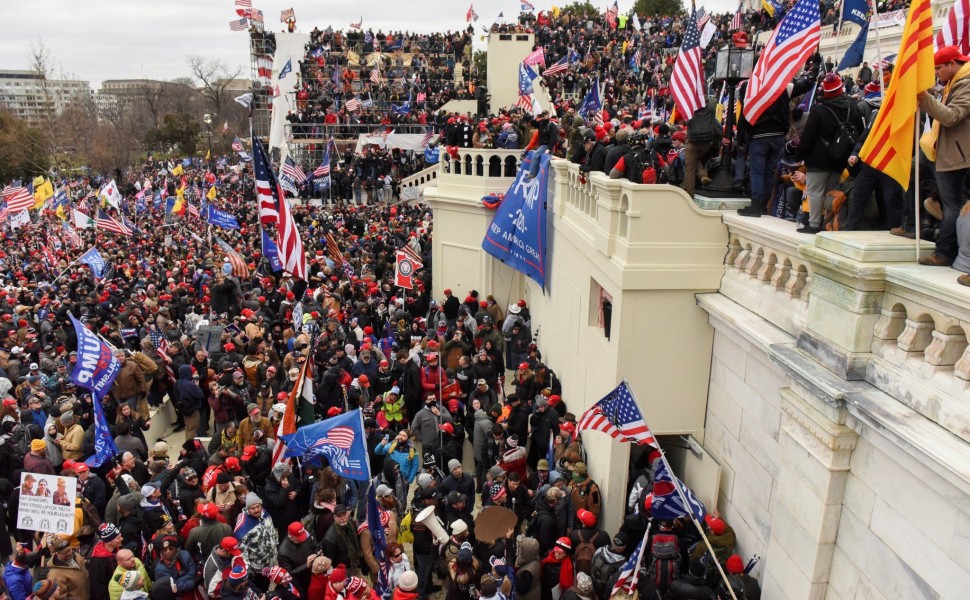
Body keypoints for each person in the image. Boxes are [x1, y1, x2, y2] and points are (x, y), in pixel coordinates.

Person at [917, 46, 970, 267]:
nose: (937, 74)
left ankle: (945, 252)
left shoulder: (966, 84)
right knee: (953, 205)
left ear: (952, 64)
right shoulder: (955, 83)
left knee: (952, 206)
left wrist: (925, 98)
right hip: (952, 153)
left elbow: (951, 117)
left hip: (958, 157)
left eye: (939, 68)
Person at [793, 73, 865, 233]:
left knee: (815, 192)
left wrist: (798, 156)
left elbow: (808, 137)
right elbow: (860, 130)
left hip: (818, 159)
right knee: (831, 192)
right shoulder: (852, 106)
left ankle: (814, 224)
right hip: (840, 158)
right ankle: (828, 223)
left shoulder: (819, 110)